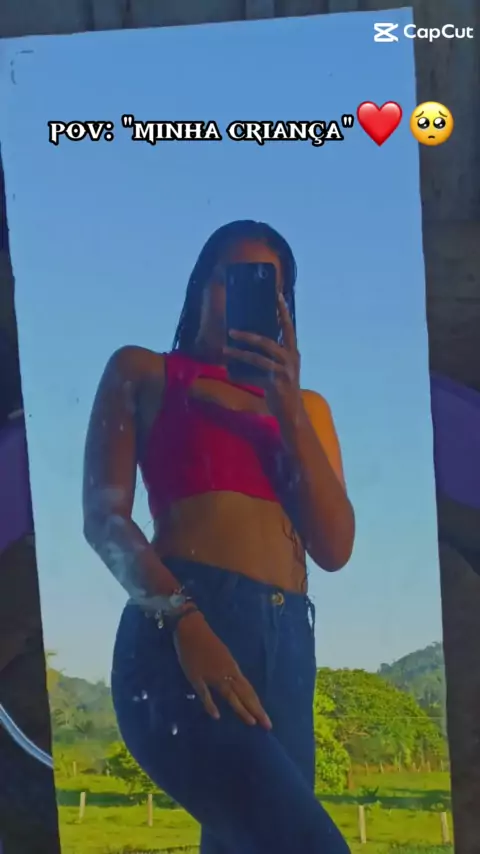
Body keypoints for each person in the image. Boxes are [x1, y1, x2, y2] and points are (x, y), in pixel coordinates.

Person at [83, 220, 355, 854]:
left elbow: (335, 548)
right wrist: (184, 619)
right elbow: (104, 520)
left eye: (264, 288)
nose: (241, 298)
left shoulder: (308, 409)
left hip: (289, 645)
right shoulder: (143, 371)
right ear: (198, 289)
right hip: (182, 623)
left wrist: (287, 409)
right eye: (229, 279)